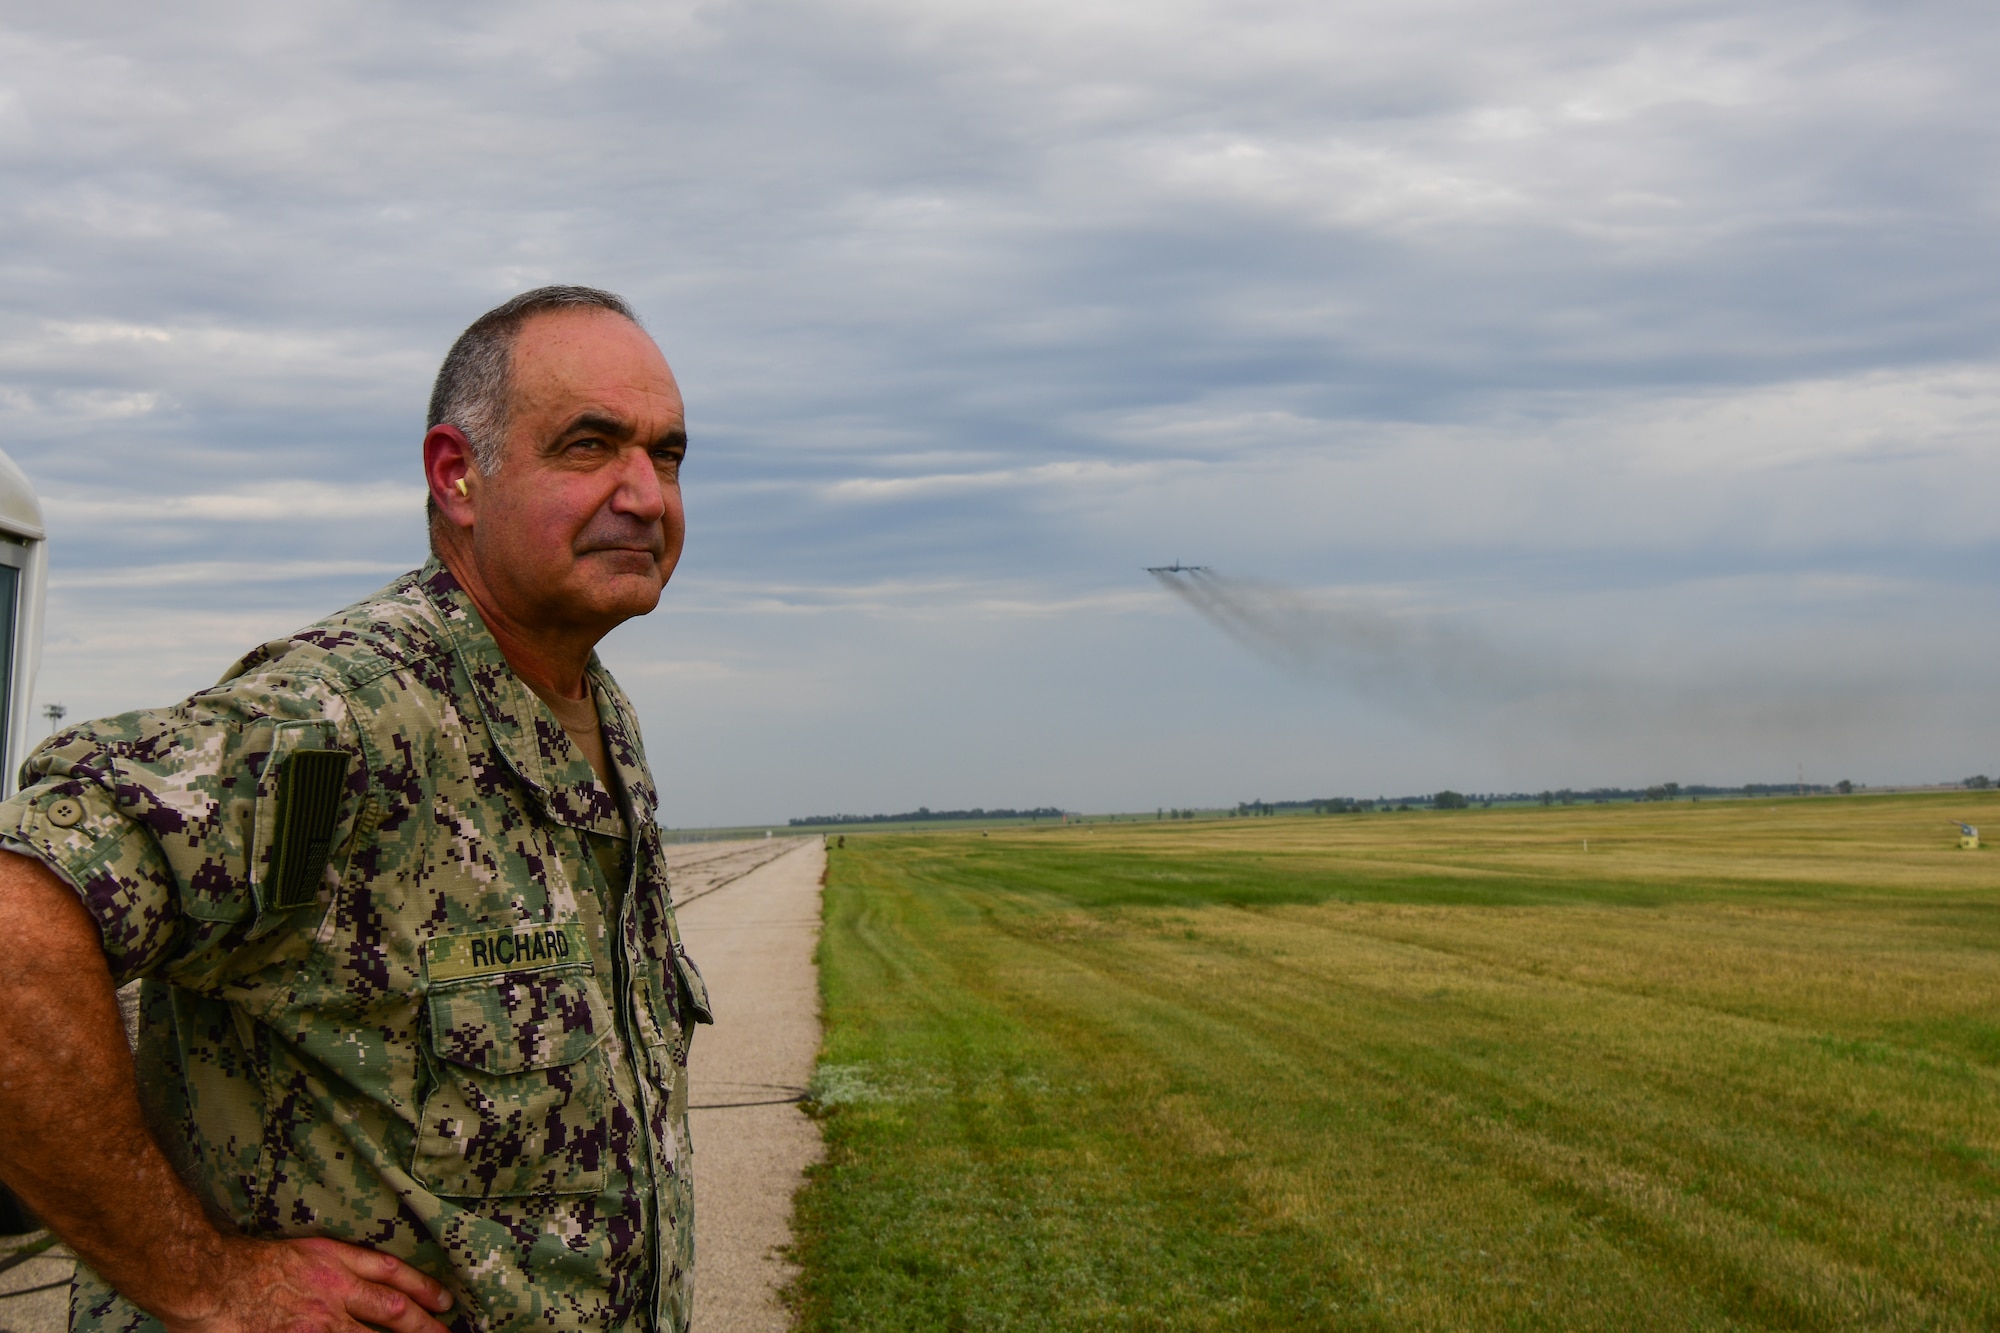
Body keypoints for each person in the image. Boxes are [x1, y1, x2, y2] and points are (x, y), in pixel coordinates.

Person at [0, 285, 711, 1332]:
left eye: (667, 454)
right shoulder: (344, 721)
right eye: (590, 445)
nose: (644, 493)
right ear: (456, 475)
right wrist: (203, 1278)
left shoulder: (592, 713)